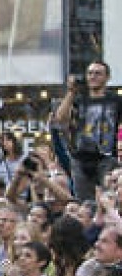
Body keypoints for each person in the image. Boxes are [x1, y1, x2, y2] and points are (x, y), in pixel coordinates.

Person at [52, 60, 122, 199]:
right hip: (80, 157)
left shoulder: (116, 100)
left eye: (98, 73)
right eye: (90, 73)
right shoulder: (78, 99)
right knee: (83, 200)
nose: (93, 77)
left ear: (107, 77)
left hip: (106, 157)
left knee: (109, 197)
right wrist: (71, 92)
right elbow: (60, 118)